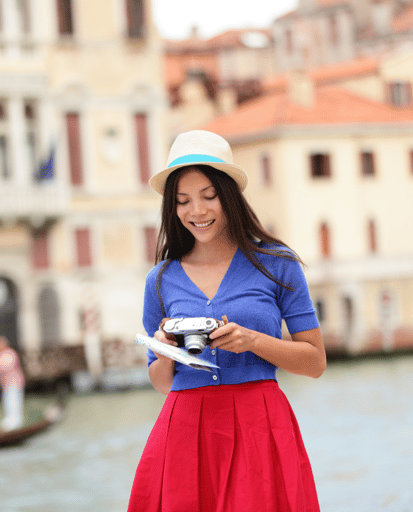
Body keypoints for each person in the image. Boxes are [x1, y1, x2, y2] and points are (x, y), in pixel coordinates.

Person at [127, 130, 326, 511]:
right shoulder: (161, 279)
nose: (196, 212)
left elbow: (315, 362)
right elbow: (160, 382)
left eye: (208, 196)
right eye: (183, 201)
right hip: (185, 430)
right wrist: (165, 352)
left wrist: (253, 341)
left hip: (260, 425)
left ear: (229, 195)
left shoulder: (277, 264)